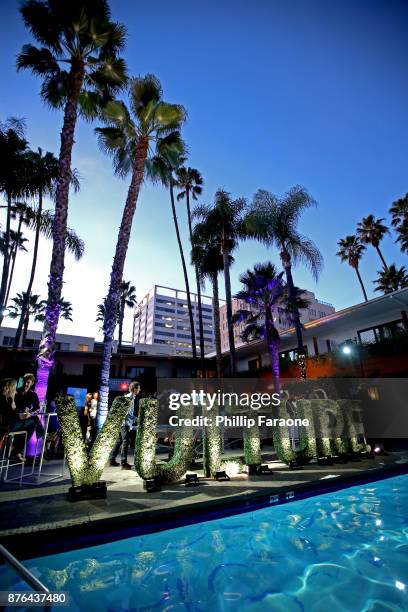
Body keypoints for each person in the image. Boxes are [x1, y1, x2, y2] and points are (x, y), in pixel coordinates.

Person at [109, 381, 141, 470]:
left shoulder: (131, 397)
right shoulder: (129, 398)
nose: (139, 390)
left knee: (119, 441)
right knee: (125, 442)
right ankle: (124, 463)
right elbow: (126, 413)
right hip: (125, 423)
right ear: (134, 389)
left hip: (124, 422)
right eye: (138, 388)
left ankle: (112, 460)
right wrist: (136, 418)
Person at [12, 373, 45, 453]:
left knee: (33, 421)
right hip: (15, 417)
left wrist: (30, 412)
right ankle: (43, 435)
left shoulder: (33, 394)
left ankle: (17, 451)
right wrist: (20, 410)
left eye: (28, 382)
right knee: (33, 422)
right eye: (25, 382)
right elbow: (12, 406)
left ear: (32, 383)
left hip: (24, 417)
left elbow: (37, 407)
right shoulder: (16, 392)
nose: (26, 384)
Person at [0, 378, 18, 456]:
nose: (15, 391)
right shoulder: (7, 400)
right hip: (4, 427)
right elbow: (10, 415)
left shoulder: (6, 398)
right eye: (14, 388)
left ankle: (15, 450)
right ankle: (16, 450)